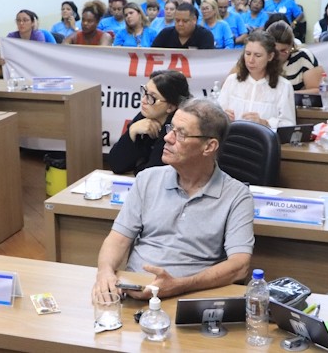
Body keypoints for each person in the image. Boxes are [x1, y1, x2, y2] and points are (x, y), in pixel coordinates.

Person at [93, 98, 254, 300]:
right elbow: (117, 239)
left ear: (209, 146)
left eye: (181, 134)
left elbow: (239, 266)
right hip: (133, 292)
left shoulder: (237, 196)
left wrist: (179, 286)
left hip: (190, 297)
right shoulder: (147, 179)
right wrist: (105, 272)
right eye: (171, 128)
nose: (167, 138)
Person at [109, 70, 191, 175]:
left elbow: (151, 176)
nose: (143, 100)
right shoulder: (145, 116)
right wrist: (132, 131)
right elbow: (116, 165)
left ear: (170, 107)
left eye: (152, 97)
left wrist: (138, 166)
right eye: (145, 92)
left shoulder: (177, 129)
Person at [218, 30, 295, 130]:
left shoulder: (283, 86)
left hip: (264, 139)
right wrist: (223, 116)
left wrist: (265, 122)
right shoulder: (232, 80)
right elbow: (216, 115)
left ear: (270, 56)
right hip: (234, 136)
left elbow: (289, 125)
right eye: (248, 54)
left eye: (258, 55)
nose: (251, 60)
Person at [267, 20, 323, 93]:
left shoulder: (303, 57)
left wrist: (287, 95)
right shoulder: (262, 57)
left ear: (292, 46)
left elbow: (317, 91)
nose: (278, 55)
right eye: (274, 51)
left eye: (283, 51)